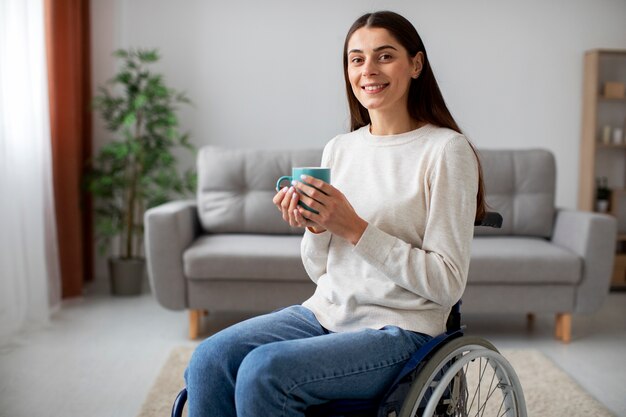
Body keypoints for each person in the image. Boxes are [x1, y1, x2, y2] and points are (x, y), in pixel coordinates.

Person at [184, 10, 486, 417]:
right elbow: (319, 271)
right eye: (356, 59)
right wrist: (317, 226)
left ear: (415, 64)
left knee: (263, 371)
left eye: (384, 56)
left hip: (402, 330)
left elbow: (447, 283)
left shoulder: (445, 151)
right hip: (325, 311)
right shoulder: (340, 148)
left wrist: (356, 229)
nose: (368, 71)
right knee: (209, 359)